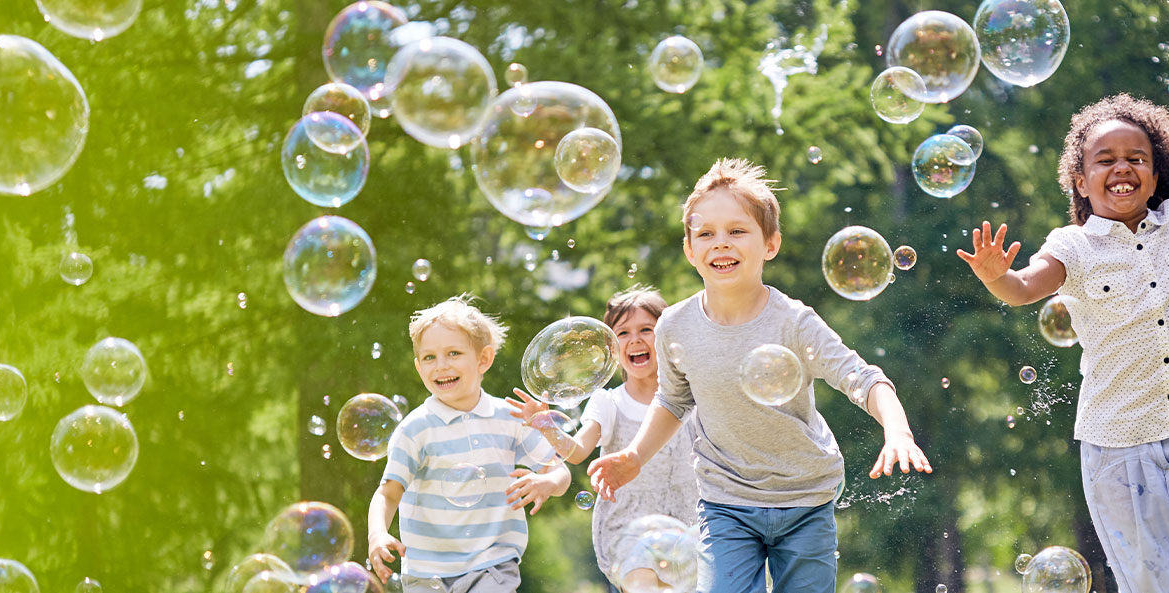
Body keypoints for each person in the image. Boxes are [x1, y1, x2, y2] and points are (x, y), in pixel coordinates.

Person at [957, 16, 1169, 593]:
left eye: (1136, 157)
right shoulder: (1072, 247)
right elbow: (1025, 288)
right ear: (1080, 182)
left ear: (1155, 175)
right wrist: (996, 276)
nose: (1121, 166)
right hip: (1115, 443)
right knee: (1148, 583)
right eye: (1104, 159)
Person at [588, 158, 933, 593]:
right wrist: (635, 457)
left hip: (805, 496)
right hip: (724, 501)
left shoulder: (794, 321)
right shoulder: (674, 326)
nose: (721, 243)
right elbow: (674, 400)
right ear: (690, 250)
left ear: (770, 243)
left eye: (737, 231)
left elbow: (863, 378)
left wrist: (898, 431)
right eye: (706, 234)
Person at [367, 294, 572, 592]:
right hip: (427, 573)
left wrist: (549, 483)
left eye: (453, 353)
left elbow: (559, 469)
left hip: (492, 563)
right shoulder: (415, 428)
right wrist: (377, 534)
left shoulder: (510, 417)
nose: (441, 366)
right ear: (418, 367)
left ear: (483, 359)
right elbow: (388, 493)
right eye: (429, 357)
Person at [506, 285, 700, 592]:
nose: (635, 339)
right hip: (627, 525)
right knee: (642, 583)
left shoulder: (691, 397)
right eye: (622, 333)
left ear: (666, 337)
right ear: (611, 349)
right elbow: (578, 451)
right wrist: (546, 425)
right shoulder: (608, 403)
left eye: (646, 329)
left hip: (687, 521)